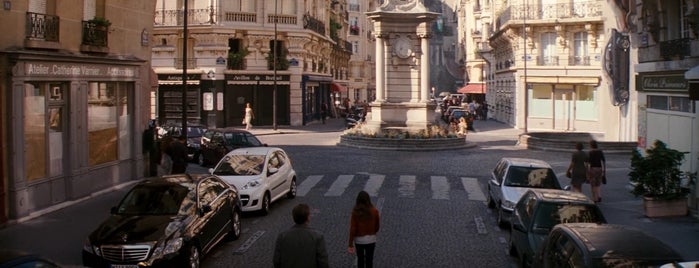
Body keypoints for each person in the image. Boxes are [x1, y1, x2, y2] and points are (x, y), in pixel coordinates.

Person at [274, 203, 329, 268]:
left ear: (293, 217)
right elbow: (323, 262)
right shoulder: (318, 237)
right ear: (308, 218)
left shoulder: (282, 236)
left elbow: (277, 261)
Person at [348, 191, 381, 268]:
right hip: (371, 239)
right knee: (369, 260)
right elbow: (377, 226)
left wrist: (350, 244)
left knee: (360, 259)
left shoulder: (355, 212)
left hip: (359, 240)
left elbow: (353, 228)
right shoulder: (374, 211)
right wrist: (373, 232)